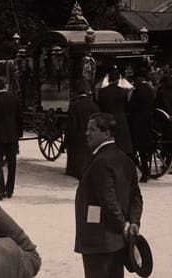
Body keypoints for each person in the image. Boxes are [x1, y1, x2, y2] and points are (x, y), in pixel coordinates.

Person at [74, 112, 143, 278]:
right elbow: (136, 197)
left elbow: (108, 199)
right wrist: (133, 222)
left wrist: (123, 225)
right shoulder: (125, 159)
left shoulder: (100, 161)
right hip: (118, 242)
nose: (86, 133)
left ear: (106, 133)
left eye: (92, 129)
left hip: (98, 241)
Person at [0, 174, 41, 277]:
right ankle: (7, 190)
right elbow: (31, 256)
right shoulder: (1, 256)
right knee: (10, 164)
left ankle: (3, 190)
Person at [0, 75, 23, 200]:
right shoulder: (15, 99)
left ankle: (1, 191)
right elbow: (19, 119)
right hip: (12, 137)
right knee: (12, 164)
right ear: (7, 85)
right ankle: (10, 190)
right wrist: (19, 135)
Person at [64, 79, 99, 180]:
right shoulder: (94, 106)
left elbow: (72, 127)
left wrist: (66, 143)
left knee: (79, 170)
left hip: (78, 141)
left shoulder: (74, 106)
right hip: (91, 140)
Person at [98, 65, 133, 156]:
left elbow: (100, 107)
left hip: (107, 121)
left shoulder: (102, 92)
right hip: (121, 120)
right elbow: (126, 107)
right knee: (122, 145)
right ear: (118, 80)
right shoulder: (123, 92)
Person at [129, 73, 155, 183]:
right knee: (144, 149)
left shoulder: (137, 91)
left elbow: (131, 106)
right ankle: (146, 171)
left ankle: (143, 172)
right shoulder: (150, 90)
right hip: (149, 122)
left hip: (138, 123)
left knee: (138, 148)